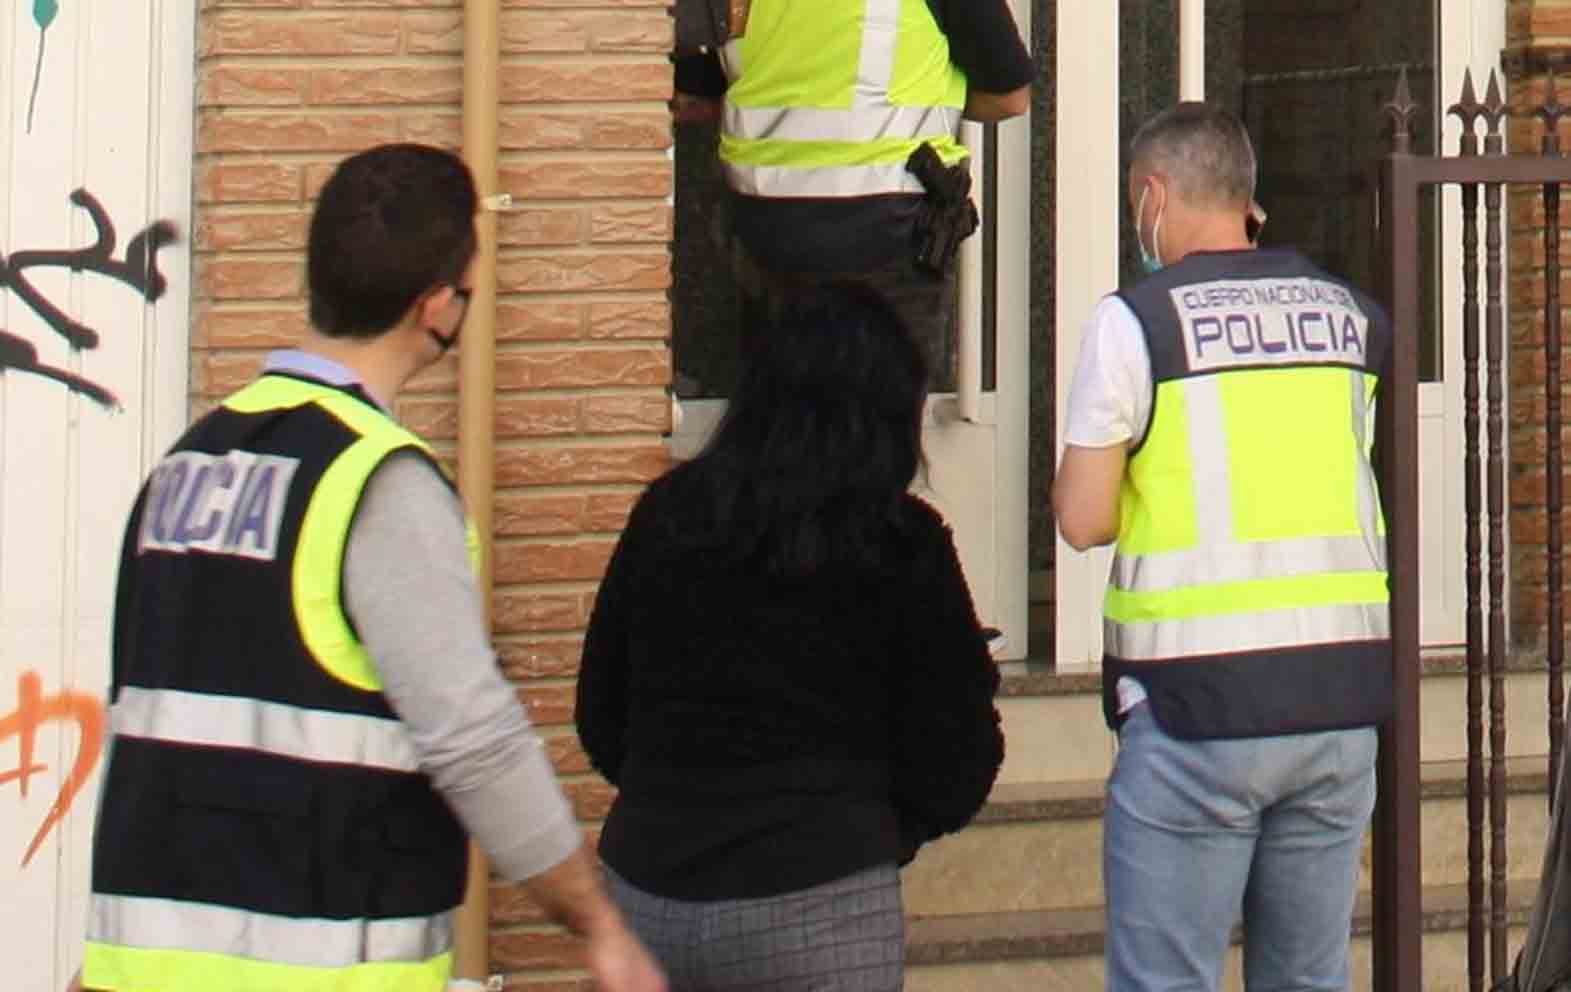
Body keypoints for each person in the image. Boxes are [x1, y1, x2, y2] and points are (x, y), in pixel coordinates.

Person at [75, 144, 665, 992]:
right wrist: (598, 924)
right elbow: (477, 742)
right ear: (438, 308)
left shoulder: (188, 464)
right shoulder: (376, 482)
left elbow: (149, 723)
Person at [1050, 103, 1393, 991]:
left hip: (1198, 705)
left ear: (1153, 195)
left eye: (1137, 203)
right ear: (1246, 200)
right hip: (1337, 703)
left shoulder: (1137, 322)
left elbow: (1082, 520)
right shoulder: (1349, 317)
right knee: (1307, 980)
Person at [575, 283, 1004, 991]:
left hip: (647, 895)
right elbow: (957, 753)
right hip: (820, 897)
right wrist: (878, 831)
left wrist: (674, 802)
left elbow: (600, 713)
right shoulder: (899, 543)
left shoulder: (667, 516)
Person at [673, 0, 1034, 385]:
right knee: (876, 422)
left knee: (778, 416)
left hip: (764, 224)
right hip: (887, 226)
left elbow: (695, 79)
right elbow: (1008, 96)